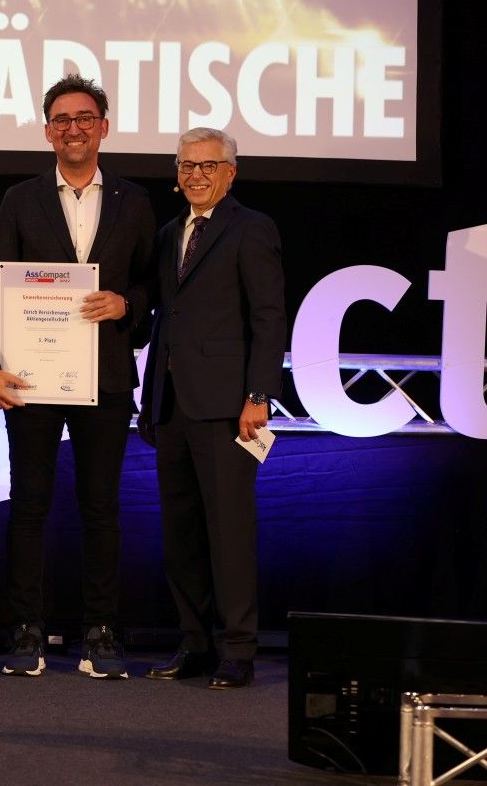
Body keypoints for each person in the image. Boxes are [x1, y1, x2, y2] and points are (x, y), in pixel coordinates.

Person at [0, 74, 156, 678]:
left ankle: (101, 632)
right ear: (47, 131)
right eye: (61, 120)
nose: (73, 128)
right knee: (28, 506)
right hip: (32, 377)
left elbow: (151, 286)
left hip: (105, 378)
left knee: (100, 508)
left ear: (103, 127)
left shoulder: (135, 200)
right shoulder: (19, 200)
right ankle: (25, 629)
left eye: (84, 118)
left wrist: (127, 303)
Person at [138, 127, 286, 690]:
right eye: (186, 165)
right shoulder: (168, 233)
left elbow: (268, 316)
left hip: (228, 407)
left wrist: (258, 395)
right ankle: (195, 643)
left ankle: (238, 649)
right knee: (181, 536)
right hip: (171, 405)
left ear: (230, 172)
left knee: (229, 533)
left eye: (208, 165)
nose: (196, 175)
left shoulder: (252, 228)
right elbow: (163, 317)